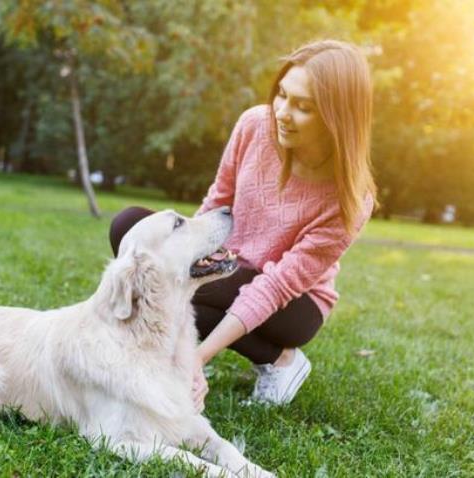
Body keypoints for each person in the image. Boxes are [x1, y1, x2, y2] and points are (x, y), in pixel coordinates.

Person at [109, 39, 377, 410]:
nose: (282, 112)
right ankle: (145, 346)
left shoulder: (350, 198)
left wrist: (195, 360)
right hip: (230, 260)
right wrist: (191, 254)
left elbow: (275, 285)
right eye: (282, 94)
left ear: (337, 117)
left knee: (177, 296)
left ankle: (283, 360)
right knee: (131, 230)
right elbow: (217, 202)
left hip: (293, 303)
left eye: (304, 107)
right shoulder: (254, 125)